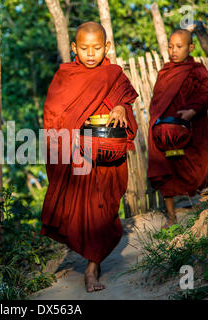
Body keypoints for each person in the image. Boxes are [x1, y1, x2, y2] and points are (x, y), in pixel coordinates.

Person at [40, 21, 138, 292]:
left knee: (104, 208)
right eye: (84, 48)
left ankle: (94, 264)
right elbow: (54, 114)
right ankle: (91, 268)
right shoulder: (65, 76)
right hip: (78, 155)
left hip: (108, 156)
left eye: (97, 48)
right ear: (74, 47)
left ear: (106, 47)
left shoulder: (113, 73)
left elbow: (125, 98)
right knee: (84, 209)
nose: (91, 53)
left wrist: (120, 107)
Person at [147, 29, 208, 228]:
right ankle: (171, 218)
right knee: (166, 172)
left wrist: (193, 111)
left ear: (191, 47)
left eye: (179, 47)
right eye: (170, 46)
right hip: (166, 132)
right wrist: (157, 125)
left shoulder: (197, 71)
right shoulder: (166, 72)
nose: (173, 51)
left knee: (201, 169)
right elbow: (157, 102)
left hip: (191, 130)